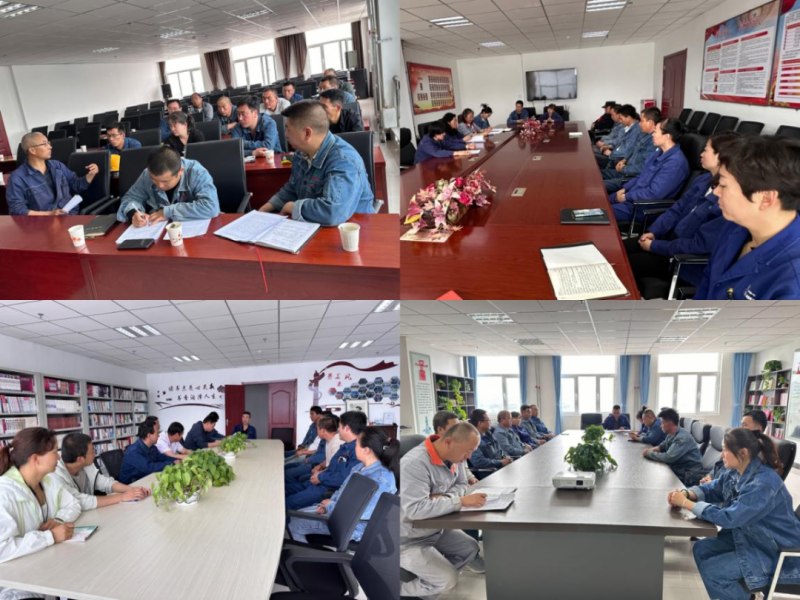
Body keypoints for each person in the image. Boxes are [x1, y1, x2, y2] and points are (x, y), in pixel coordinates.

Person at [670, 428, 800, 599]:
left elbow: (730, 517)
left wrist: (686, 503)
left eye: (725, 450)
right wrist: (687, 494)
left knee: (713, 572)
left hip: (775, 552)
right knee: (702, 548)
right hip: (751, 539)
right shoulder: (736, 471)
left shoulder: (763, 483)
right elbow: (713, 488)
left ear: (743, 453)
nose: (721, 455)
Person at [624, 131, 740, 299]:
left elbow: (697, 245)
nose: (701, 154)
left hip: (683, 262)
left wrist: (655, 246)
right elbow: (676, 209)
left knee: (626, 264)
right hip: (668, 242)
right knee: (621, 249)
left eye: (706, 150)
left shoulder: (727, 202)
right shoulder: (703, 180)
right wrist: (654, 232)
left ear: (721, 156)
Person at [694, 136, 800, 300]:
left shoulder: (793, 281)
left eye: (723, 185)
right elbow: (708, 282)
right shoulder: (736, 226)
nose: (716, 192)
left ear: (765, 199)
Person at [400, 422, 489, 597]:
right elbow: (415, 510)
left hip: (435, 530)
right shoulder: (414, 463)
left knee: (470, 548)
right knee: (447, 580)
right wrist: (459, 501)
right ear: (449, 442)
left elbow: (462, 484)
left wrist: (443, 498)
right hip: (408, 538)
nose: (468, 456)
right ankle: (394, 590)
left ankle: (434, 581)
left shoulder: (455, 457)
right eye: (467, 451)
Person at [257, 100, 375, 226]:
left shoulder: (344, 160)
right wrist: (262, 211)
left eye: (288, 129)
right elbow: (292, 187)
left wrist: (292, 206)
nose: (285, 135)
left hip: (353, 229)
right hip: (315, 225)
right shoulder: (301, 153)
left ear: (307, 133)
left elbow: (333, 212)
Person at [288, 427, 398, 543]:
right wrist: (327, 505)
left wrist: (330, 506)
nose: (354, 447)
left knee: (294, 524)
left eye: (356, 444)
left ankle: (306, 553)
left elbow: (361, 513)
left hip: (352, 526)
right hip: (338, 514)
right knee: (296, 515)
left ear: (366, 450)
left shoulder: (381, 479)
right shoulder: (359, 467)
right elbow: (342, 490)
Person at [0, 428, 79, 576]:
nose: (59, 457)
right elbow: (2, 549)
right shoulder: (4, 493)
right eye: (55, 452)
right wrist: (50, 536)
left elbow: (73, 504)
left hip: (47, 563)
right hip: (17, 577)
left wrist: (58, 520)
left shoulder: (48, 480)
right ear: (36, 459)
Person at [610, 117, 690, 225]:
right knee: (600, 202)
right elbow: (641, 176)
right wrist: (625, 189)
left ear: (666, 136)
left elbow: (653, 194)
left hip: (642, 207)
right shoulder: (659, 152)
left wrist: (626, 196)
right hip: (633, 197)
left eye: (656, 132)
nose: (652, 134)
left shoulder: (675, 164)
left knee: (602, 213)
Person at [116, 146, 220, 225]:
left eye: (165, 181)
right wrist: (133, 213)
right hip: (159, 230)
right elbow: (130, 198)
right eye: (154, 180)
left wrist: (168, 212)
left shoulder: (196, 173)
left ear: (180, 171)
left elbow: (211, 207)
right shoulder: (146, 175)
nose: (159, 186)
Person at [284, 410, 366, 510]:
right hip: (321, 483)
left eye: (339, 427)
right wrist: (319, 473)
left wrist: (320, 476)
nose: (338, 430)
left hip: (326, 489)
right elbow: (332, 467)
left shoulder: (357, 451)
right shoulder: (345, 446)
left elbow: (344, 478)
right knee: (284, 490)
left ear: (347, 428)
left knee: (287, 503)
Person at [47, 433, 150, 510]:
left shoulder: (86, 465)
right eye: (92, 451)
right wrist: (122, 497)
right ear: (80, 459)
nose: (95, 453)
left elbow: (105, 483)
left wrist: (133, 490)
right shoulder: (57, 475)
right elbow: (80, 501)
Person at [7, 132, 99, 216]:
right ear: (32, 150)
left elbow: (77, 185)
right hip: (43, 222)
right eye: (44, 144)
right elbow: (16, 209)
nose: (50, 147)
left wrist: (91, 174)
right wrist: (48, 214)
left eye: (49, 143)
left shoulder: (57, 166)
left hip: (69, 215)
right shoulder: (17, 178)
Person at [699, 409, 767, 484]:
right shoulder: (736, 445)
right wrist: (710, 476)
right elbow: (721, 465)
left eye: (744, 425)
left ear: (759, 429)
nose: (741, 428)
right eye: (741, 425)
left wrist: (713, 483)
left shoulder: (755, 454)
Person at [602, 106, 660, 191]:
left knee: (598, 185)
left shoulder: (654, 142)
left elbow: (643, 167)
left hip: (631, 177)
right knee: (598, 174)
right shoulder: (643, 134)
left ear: (650, 123)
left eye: (642, 121)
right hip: (625, 170)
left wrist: (624, 168)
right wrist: (624, 160)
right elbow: (632, 149)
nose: (639, 123)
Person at [643, 408, 704, 486]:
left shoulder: (682, 438)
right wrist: (650, 450)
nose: (661, 425)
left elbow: (668, 457)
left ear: (670, 424)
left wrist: (649, 454)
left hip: (689, 475)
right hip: (680, 469)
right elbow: (662, 447)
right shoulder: (672, 434)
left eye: (662, 422)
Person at [285, 414, 341, 484]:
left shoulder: (336, 443)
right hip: (316, 465)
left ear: (323, 430)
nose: (317, 432)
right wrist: (319, 466)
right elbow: (328, 460)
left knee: (289, 474)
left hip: (318, 469)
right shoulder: (327, 440)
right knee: (287, 467)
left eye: (317, 429)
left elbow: (333, 467)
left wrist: (319, 473)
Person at [434, 411, 479, 485]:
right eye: (454, 428)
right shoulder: (431, 453)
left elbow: (463, 469)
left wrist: (470, 478)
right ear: (440, 429)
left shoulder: (458, 445)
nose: (458, 431)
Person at [467, 409, 511, 477]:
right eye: (488, 420)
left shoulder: (489, 434)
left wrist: (506, 457)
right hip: (491, 473)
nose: (490, 422)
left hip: (501, 469)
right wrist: (500, 462)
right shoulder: (472, 439)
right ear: (480, 423)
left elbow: (500, 450)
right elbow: (478, 461)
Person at [596, 104, 640, 169]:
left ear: (628, 117)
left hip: (618, 160)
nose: (620, 121)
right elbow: (619, 142)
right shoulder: (627, 127)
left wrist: (611, 153)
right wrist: (609, 146)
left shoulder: (636, 131)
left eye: (621, 119)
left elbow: (626, 152)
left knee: (593, 158)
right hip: (615, 154)